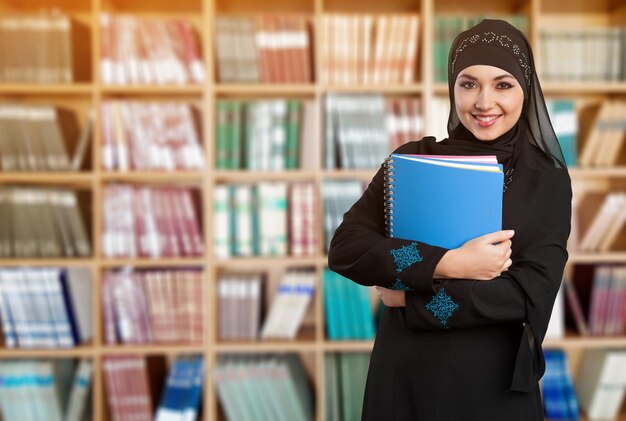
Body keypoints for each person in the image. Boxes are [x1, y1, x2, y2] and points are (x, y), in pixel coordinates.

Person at [327, 19, 572, 420]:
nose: (483, 101)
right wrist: (449, 263)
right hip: (406, 377)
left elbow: (526, 294)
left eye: (503, 84)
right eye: (468, 83)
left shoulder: (546, 181)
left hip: (492, 388)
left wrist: (410, 298)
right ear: (452, 87)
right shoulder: (411, 160)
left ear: (526, 92)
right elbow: (347, 248)